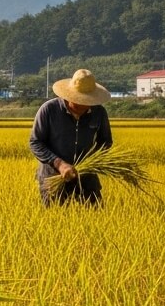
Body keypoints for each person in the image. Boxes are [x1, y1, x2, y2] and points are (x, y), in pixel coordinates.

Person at [29, 69, 112, 206]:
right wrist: (59, 164)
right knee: (54, 216)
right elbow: (36, 142)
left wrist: (91, 161)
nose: (84, 105)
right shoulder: (49, 110)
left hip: (86, 177)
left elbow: (105, 142)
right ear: (70, 96)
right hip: (53, 178)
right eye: (79, 101)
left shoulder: (99, 112)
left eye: (88, 101)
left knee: (95, 213)